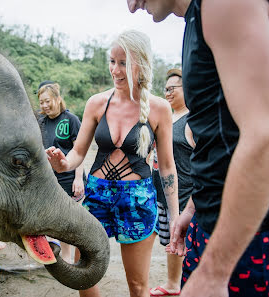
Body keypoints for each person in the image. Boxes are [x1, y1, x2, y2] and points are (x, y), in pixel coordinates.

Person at [127, 1, 269, 296]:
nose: (131, 6)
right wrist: (194, 208)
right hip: (215, 227)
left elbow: (268, 137)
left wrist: (214, 271)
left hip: (255, 236)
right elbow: (220, 139)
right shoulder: (197, 18)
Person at [46, 30, 179, 297]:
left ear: (141, 64)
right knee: (86, 275)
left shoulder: (159, 108)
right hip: (97, 196)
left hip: (138, 201)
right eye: (112, 62)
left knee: (138, 285)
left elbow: (166, 167)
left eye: (123, 63)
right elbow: (78, 153)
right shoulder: (96, 103)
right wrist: (62, 164)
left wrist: (175, 217)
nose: (115, 70)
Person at [151, 68, 194, 296]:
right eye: (165, 89)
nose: (167, 93)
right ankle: (173, 284)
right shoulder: (167, 116)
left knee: (182, 241)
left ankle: (181, 284)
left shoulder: (192, 120)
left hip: (185, 193)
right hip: (161, 191)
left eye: (172, 89)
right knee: (170, 239)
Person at [37, 80, 86, 263]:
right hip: (48, 179)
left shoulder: (71, 120)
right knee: (51, 219)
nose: (44, 105)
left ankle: (67, 258)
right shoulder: (40, 121)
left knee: (68, 221)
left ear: (58, 99)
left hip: (69, 178)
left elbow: (79, 151)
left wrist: (78, 178)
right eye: (41, 102)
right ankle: (53, 255)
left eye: (47, 101)